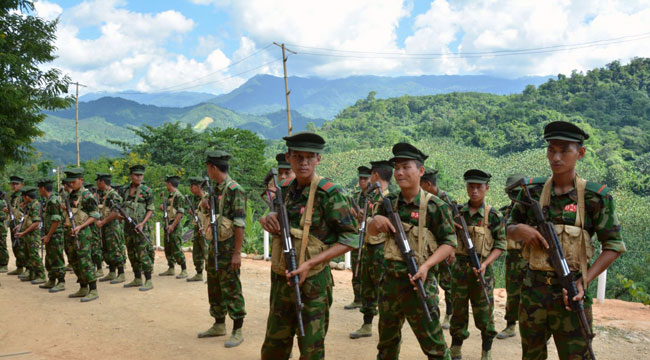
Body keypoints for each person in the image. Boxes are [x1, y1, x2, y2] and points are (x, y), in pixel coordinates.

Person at [507, 121, 626, 359]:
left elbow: (613, 246)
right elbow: (506, 226)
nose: (556, 157)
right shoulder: (530, 191)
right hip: (533, 292)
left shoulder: (595, 197)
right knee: (531, 355)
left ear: (580, 153)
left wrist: (585, 281)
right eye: (551, 150)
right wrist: (520, 230)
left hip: (571, 293)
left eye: (564, 150)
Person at [259, 132, 359, 359]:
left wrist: (310, 263)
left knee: (311, 349)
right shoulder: (284, 189)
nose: (304, 163)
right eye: (298, 157)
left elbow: (352, 239)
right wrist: (267, 218)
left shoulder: (330, 194)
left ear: (318, 159)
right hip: (282, 278)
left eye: (309, 157)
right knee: (274, 346)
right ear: (289, 157)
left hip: (313, 282)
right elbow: (273, 216)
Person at [368, 142, 456, 360]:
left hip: (419, 285)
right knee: (386, 346)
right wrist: (374, 220)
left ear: (421, 171)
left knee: (435, 348)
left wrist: (426, 266)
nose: (400, 172)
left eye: (406, 167)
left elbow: (449, 243)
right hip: (389, 284)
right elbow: (371, 233)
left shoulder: (436, 207)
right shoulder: (387, 204)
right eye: (397, 168)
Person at [448, 170, 506, 360]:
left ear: (487, 188)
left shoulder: (493, 216)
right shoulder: (458, 214)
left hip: (482, 270)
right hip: (459, 269)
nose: (474, 191)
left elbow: (500, 245)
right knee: (458, 310)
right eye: (470, 187)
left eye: (479, 187)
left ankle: (486, 350)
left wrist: (485, 263)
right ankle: (456, 348)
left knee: (484, 313)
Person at [197, 150, 247, 348]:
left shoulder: (235, 189)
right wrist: (206, 204)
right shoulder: (216, 189)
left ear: (213, 167)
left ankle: (237, 328)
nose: (208, 171)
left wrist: (236, 253)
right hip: (215, 246)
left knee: (232, 286)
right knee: (215, 284)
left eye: (208, 167)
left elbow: (239, 223)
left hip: (228, 248)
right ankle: (219, 323)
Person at [349, 160, 392, 339]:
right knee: (367, 286)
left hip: (382, 249)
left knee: (383, 288)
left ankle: (388, 328)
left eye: (371, 174)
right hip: (368, 246)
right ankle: (367, 324)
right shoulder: (371, 197)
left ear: (375, 175)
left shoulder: (389, 200)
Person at [420, 167, 454, 329]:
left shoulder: (444, 200)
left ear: (427, 184)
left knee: (448, 283)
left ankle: (449, 314)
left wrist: (452, 249)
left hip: (445, 248)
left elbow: (455, 228)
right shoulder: (423, 199)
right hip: (430, 248)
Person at [496, 174, 529, 340]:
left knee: (533, 294)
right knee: (513, 293)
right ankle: (510, 325)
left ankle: (533, 328)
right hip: (513, 257)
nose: (516, 197)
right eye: (512, 193)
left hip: (531, 259)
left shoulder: (533, 212)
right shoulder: (505, 212)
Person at [63, 168, 101, 302]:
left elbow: (95, 215)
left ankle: (93, 289)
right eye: (69, 182)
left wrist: (81, 226)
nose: (71, 184)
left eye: (73, 181)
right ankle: (83, 287)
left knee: (85, 261)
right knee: (74, 260)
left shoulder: (86, 196)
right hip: (71, 232)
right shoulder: (71, 195)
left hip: (83, 233)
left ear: (81, 180)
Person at [122, 164, 155, 291]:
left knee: (143, 253)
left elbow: (150, 209)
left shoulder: (147, 191)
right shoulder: (124, 190)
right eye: (136, 175)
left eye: (141, 175)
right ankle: (137, 278)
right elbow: (121, 206)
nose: (139, 177)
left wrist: (143, 223)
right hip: (128, 227)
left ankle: (148, 279)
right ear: (131, 176)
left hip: (141, 227)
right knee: (131, 253)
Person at [344, 165, 371, 311]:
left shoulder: (374, 197)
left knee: (369, 272)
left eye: (365, 178)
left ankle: (371, 302)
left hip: (371, 238)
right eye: (360, 178)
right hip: (358, 235)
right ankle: (357, 298)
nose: (362, 181)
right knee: (356, 267)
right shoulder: (357, 196)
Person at [95, 173, 127, 284]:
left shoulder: (113, 195)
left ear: (102, 182)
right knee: (107, 250)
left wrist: (103, 222)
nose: (97, 184)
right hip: (105, 226)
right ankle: (112, 271)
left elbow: (115, 212)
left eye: (98, 181)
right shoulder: (104, 194)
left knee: (115, 249)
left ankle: (121, 273)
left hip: (112, 226)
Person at [37, 178, 66, 292]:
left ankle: (61, 281)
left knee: (57, 258)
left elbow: (56, 220)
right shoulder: (49, 200)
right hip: (50, 233)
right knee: (50, 258)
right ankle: (52, 279)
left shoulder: (53, 201)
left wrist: (48, 236)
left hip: (55, 235)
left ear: (43, 188)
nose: (39, 190)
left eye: (39, 188)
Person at [159, 175, 188, 279]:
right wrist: (164, 208)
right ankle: (171, 268)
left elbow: (180, 213)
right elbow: (171, 209)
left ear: (170, 184)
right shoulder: (171, 196)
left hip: (174, 225)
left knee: (176, 247)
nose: (166, 185)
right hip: (168, 223)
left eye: (167, 183)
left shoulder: (179, 196)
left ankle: (184, 269)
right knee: (168, 246)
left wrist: (173, 226)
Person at [16, 186, 46, 284]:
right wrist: (20, 227)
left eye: (24, 197)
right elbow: (27, 219)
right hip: (28, 234)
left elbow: (36, 223)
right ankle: (32, 274)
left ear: (28, 197)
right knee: (29, 256)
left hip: (33, 235)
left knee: (34, 255)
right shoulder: (30, 205)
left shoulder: (35, 205)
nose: (23, 200)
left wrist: (23, 232)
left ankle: (41, 275)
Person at [187, 176, 209, 282]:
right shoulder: (195, 199)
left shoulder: (207, 198)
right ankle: (199, 273)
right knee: (197, 252)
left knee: (207, 252)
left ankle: (211, 275)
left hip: (205, 228)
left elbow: (210, 214)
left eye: (192, 186)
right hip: (197, 227)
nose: (191, 188)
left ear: (199, 186)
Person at [5, 175, 26, 276]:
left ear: (22, 184)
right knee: (15, 246)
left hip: (21, 223)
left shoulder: (24, 196)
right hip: (13, 222)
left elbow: (24, 210)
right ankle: (19, 266)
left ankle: (27, 268)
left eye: (16, 184)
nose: (14, 186)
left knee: (22, 246)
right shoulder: (13, 196)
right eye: (12, 184)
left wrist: (11, 210)